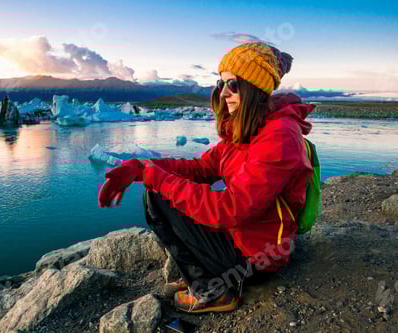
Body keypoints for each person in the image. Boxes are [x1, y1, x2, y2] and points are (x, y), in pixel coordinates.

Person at [98, 42, 315, 313]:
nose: (224, 93)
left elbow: (230, 209)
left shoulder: (279, 136)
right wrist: (141, 167)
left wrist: (154, 177)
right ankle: (200, 273)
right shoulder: (251, 129)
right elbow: (203, 168)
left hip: (259, 255)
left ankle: (212, 291)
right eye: (221, 83)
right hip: (246, 235)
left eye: (233, 84)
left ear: (254, 88)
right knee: (159, 192)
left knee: (160, 193)